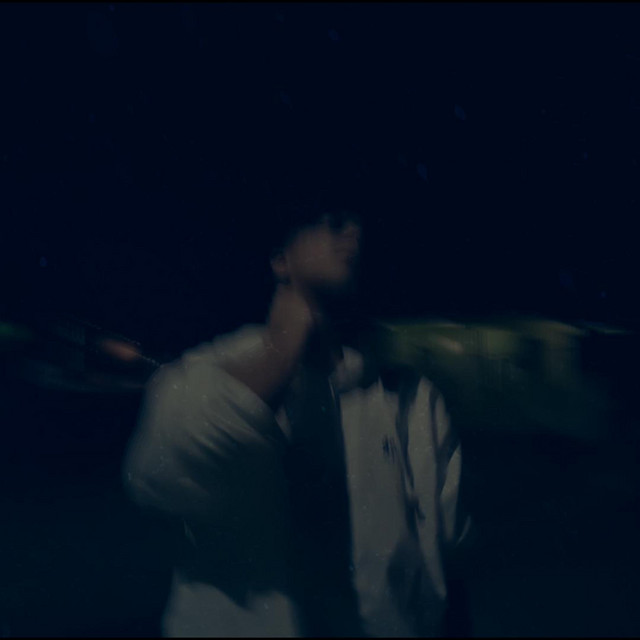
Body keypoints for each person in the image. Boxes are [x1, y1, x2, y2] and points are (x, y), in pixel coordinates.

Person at [121, 198, 473, 637]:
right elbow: (157, 478)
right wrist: (281, 351)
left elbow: (450, 554)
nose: (354, 231)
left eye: (362, 220)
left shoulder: (414, 399)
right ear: (280, 260)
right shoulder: (207, 373)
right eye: (332, 219)